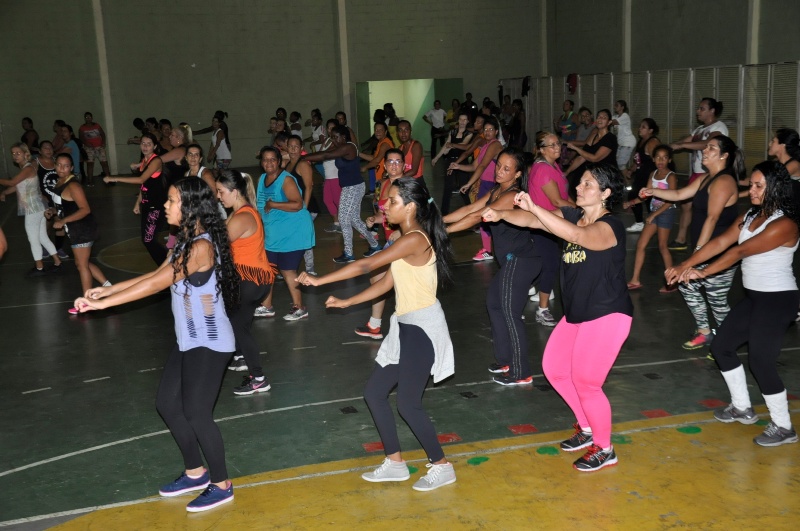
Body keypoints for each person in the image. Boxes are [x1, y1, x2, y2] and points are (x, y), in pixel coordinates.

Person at [74, 177, 237, 512]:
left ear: (190, 207)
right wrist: (108, 291)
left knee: (196, 412)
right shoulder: (184, 239)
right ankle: (195, 472)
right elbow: (155, 275)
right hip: (188, 340)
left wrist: (104, 305)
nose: (165, 205)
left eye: (172, 200)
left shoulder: (201, 247)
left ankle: (221, 484)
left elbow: (157, 285)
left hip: (210, 342)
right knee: (167, 403)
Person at [296, 176, 457, 491]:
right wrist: (346, 301)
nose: (386, 205)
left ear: (411, 206)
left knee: (408, 404)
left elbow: (364, 266)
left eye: (393, 201)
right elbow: (386, 283)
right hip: (405, 326)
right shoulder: (403, 236)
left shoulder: (413, 239)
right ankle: (396, 463)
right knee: (374, 393)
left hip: (423, 328)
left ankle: (442, 465)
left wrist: (319, 281)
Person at [482, 163, 632, 472]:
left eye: (588, 184)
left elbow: (577, 235)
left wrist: (536, 208)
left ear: (604, 193)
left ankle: (604, 448)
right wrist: (503, 215)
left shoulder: (611, 226)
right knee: (555, 369)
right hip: (577, 313)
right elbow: (533, 221)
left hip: (607, 314)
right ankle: (587, 427)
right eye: (580, 183)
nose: (579, 187)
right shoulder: (574, 215)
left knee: (588, 382)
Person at [666, 161, 799, 447]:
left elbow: (740, 250)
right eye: (750, 183)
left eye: (758, 185)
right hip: (754, 297)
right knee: (722, 346)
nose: (750, 189)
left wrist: (703, 272)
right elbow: (721, 241)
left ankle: (784, 426)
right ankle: (742, 407)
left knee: (761, 361)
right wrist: (685, 264)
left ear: (775, 188)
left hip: (778, 300)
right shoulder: (751, 215)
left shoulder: (785, 224)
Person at [445, 147, 540, 385]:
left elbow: (479, 217)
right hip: (511, 261)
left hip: (520, 260)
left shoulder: (512, 195)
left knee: (510, 313)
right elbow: (470, 209)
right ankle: (505, 360)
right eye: (499, 165)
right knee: (494, 305)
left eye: (507, 169)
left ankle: (521, 372)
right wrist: (439, 221)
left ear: (518, 174)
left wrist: (443, 233)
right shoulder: (498, 190)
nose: (499, 171)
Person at [640, 135, 742, 350]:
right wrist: (652, 191)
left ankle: (727, 343)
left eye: (711, 148)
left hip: (719, 251)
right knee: (687, 285)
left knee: (716, 299)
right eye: (706, 147)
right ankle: (705, 332)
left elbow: (712, 219)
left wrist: (697, 255)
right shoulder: (706, 178)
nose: (705, 151)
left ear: (724, 155)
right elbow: (678, 193)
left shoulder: (724, 181)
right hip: (704, 249)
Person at [215, 170, 277, 389]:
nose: (219, 196)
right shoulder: (243, 211)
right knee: (239, 320)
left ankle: (259, 379)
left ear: (234, 191)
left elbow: (218, 246)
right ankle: (240, 355)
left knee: (239, 326)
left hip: (249, 281)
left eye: (221, 192)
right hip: (257, 279)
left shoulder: (242, 216)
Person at [302, 126, 381, 263]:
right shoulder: (340, 147)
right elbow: (326, 153)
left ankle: (349, 253)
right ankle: (375, 246)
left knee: (343, 218)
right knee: (354, 219)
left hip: (354, 187)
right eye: (332, 137)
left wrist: (302, 158)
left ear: (344, 137)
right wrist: (306, 157)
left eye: (335, 137)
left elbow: (326, 156)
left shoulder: (349, 147)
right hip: (350, 187)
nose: (333, 139)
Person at [254, 146, 315, 320]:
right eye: (265, 159)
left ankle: (299, 308)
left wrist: (274, 204)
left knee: (288, 271)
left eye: (273, 159)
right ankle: (267, 306)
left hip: (293, 231)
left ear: (279, 161)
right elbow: (260, 205)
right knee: (269, 270)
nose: (269, 163)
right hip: (274, 233)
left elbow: (297, 204)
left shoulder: (286, 180)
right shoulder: (262, 179)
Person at [355, 148, 407, 339]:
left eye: (398, 161)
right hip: (391, 243)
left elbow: (423, 214)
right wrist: (374, 219)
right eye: (390, 161)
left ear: (403, 165)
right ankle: (375, 326)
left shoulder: (409, 186)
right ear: (384, 165)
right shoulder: (385, 184)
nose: (394, 165)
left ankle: (409, 327)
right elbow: (385, 213)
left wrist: (402, 231)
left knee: (401, 284)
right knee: (378, 278)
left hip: (407, 242)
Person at [49, 153, 110, 312]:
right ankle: (108, 287)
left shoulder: (73, 186)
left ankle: (86, 302)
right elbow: (63, 206)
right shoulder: (59, 182)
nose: (62, 168)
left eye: (66, 165)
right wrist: (52, 211)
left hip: (82, 228)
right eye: (59, 165)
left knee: (82, 265)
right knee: (82, 262)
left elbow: (85, 209)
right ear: (55, 165)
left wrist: (62, 221)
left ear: (72, 167)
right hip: (74, 229)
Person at [527, 132, 575, 325]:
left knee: (551, 262)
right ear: (541, 149)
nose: (557, 148)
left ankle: (538, 288)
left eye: (558, 144)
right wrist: (583, 209)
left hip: (556, 222)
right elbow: (556, 200)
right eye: (552, 145)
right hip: (544, 224)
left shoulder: (553, 165)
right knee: (551, 264)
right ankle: (542, 310)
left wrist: (580, 208)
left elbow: (565, 194)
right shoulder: (543, 170)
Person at [668, 98, 728, 251]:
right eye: (698, 108)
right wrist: (670, 146)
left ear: (712, 111)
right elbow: (687, 140)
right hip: (697, 174)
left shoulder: (719, 127)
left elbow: (708, 143)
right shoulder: (699, 129)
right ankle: (681, 239)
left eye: (702, 108)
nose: (698, 111)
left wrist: (681, 145)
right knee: (686, 205)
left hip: (709, 175)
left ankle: (707, 243)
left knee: (706, 210)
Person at [105, 133, 168, 264]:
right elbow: (144, 185)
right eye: (143, 143)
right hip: (146, 205)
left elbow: (141, 179)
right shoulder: (144, 161)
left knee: (148, 240)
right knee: (147, 240)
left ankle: (168, 264)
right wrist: (137, 202)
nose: (145, 146)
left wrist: (114, 178)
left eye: (149, 144)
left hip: (156, 206)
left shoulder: (156, 161)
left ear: (155, 146)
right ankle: (166, 264)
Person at [0, 143, 62, 275]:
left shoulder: (28, 168)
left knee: (33, 238)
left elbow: (12, 182)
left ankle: (39, 267)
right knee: (42, 237)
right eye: (13, 153)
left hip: (33, 209)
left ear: (25, 153)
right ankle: (57, 261)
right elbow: (17, 186)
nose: (15, 156)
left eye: (18, 153)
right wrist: (5, 193)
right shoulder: (25, 169)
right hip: (38, 207)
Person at [623, 145, 678, 292]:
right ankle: (635, 280)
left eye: (664, 157)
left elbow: (671, 200)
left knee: (662, 246)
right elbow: (645, 195)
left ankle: (672, 282)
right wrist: (631, 202)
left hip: (666, 212)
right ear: (653, 159)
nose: (661, 160)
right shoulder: (653, 174)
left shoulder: (671, 176)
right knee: (641, 244)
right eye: (658, 157)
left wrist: (653, 214)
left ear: (669, 160)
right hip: (654, 211)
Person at [451, 116, 503, 261]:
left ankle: (490, 250)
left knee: (487, 218)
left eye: (490, 130)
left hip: (492, 185)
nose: (487, 132)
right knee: (484, 218)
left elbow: (482, 166)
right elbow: (474, 165)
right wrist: (458, 166)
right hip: (485, 185)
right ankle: (488, 250)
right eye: (485, 130)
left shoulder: (494, 145)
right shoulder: (485, 145)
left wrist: (468, 184)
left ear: (496, 131)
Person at [564, 109, 618, 200]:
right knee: (576, 187)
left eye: (604, 118)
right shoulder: (594, 134)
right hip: (593, 172)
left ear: (609, 122)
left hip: (605, 175)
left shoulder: (610, 138)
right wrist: (567, 172)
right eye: (599, 117)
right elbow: (583, 156)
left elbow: (595, 158)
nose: (600, 119)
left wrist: (575, 148)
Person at [286, 136, 319, 275]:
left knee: (302, 236)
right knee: (297, 235)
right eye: (290, 146)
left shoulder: (303, 164)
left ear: (301, 149)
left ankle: (310, 269)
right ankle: (290, 267)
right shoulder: (288, 164)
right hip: (295, 207)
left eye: (296, 146)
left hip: (307, 207)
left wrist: (304, 209)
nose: (293, 149)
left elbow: (309, 187)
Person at [623, 118, 661, 232]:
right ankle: (643, 223)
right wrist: (631, 170)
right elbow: (639, 160)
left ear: (650, 130)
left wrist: (658, 177)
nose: (639, 129)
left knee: (644, 199)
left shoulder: (652, 142)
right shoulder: (641, 141)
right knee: (638, 197)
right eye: (640, 126)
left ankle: (650, 224)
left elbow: (659, 160)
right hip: (641, 175)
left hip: (649, 177)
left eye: (643, 127)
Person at [431, 111, 473, 214]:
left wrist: (452, 145)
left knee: (464, 187)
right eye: (460, 119)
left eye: (464, 120)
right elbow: (446, 145)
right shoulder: (452, 132)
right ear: (458, 120)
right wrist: (436, 158)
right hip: (450, 161)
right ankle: (443, 214)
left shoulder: (469, 134)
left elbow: (463, 145)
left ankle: (472, 212)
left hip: (462, 162)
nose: (462, 122)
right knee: (447, 187)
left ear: (467, 121)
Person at [78, 112, 111, 185]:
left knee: (104, 163)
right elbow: (81, 137)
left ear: (92, 118)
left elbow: (102, 134)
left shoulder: (96, 125)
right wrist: (86, 144)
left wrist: (103, 142)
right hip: (89, 148)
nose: (88, 118)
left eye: (89, 117)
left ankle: (109, 179)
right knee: (90, 164)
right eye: (86, 117)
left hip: (99, 147)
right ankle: (90, 181)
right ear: (85, 118)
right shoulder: (82, 127)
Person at [610, 100, 636, 169]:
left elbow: (613, 122)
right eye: (615, 105)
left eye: (617, 105)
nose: (615, 107)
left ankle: (627, 178)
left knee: (620, 164)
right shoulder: (615, 116)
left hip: (628, 143)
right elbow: (609, 120)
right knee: (616, 162)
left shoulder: (625, 116)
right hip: (621, 143)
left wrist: (605, 121)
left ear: (622, 107)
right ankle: (624, 178)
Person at [206, 112, 231, 177]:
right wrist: (209, 154)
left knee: (221, 172)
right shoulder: (214, 133)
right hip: (219, 156)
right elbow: (212, 145)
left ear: (219, 123)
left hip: (225, 156)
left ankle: (227, 184)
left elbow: (217, 144)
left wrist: (212, 155)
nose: (214, 123)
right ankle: (218, 184)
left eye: (216, 122)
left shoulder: (220, 132)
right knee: (215, 171)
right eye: (213, 121)